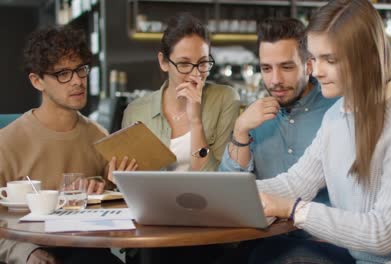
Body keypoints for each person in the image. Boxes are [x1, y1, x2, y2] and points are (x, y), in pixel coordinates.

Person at [251, 0, 391, 263]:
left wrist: (295, 210)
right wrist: (231, 192)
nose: (316, 72)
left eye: (330, 60)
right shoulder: (336, 117)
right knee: (265, 253)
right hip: (365, 260)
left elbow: (382, 234)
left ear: (367, 58)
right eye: (314, 59)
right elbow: (296, 183)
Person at [0, 25, 135, 264]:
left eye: (81, 70)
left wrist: (113, 188)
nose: (77, 81)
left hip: (88, 251)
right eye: (63, 73)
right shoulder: (7, 142)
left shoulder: (98, 135)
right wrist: (24, 253)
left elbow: (116, 213)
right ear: (37, 81)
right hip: (30, 250)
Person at [219, 17, 337, 202]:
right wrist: (241, 130)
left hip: (319, 230)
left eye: (286, 67)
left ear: (309, 65)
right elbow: (229, 190)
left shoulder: (336, 110)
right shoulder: (253, 117)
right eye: (266, 68)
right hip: (265, 231)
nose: (275, 80)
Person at [120, 12, 240, 174]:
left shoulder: (225, 99)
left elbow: (217, 179)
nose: (195, 74)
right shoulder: (136, 112)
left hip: (208, 198)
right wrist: (120, 176)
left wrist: (195, 121)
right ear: (164, 62)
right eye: (184, 64)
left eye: (203, 63)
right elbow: (132, 183)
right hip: (154, 199)